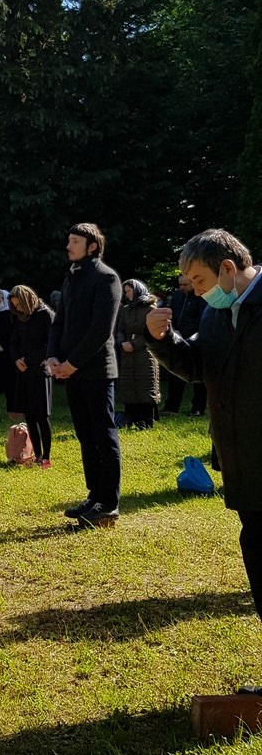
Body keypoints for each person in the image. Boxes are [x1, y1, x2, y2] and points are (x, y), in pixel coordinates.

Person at [145, 229, 262, 685]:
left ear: (227, 269)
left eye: (197, 280)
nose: (192, 289)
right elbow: (197, 365)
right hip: (244, 464)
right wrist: (162, 339)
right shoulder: (217, 313)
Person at [46, 223, 122, 528]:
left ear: (92, 246)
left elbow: (101, 330)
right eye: (68, 241)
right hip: (70, 370)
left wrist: (73, 363)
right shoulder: (72, 278)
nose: (68, 246)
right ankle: (94, 495)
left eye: (74, 241)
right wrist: (53, 356)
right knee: (85, 437)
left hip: (95, 371)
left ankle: (109, 502)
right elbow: (59, 321)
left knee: (103, 436)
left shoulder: (107, 278)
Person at [9, 286, 54, 467]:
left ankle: (46, 456)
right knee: (29, 416)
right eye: (14, 305)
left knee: (41, 415)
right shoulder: (19, 318)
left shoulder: (46, 315)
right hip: (24, 371)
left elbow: (50, 344)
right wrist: (16, 359)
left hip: (40, 370)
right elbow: (12, 342)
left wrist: (28, 359)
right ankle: (37, 454)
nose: (18, 308)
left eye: (20, 304)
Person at [116, 279, 160, 429]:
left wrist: (134, 344)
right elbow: (120, 329)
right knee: (129, 385)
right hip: (127, 354)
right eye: (125, 291)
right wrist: (122, 342)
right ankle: (131, 419)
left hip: (145, 353)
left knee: (145, 384)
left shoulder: (151, 309)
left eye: (129, 291)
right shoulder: (126, 310)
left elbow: (152, 333)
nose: (127, 294)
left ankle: (147, 420)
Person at [161, 275, 207, 416]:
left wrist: (185, 333)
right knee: (175, 374)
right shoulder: (177, 296)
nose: (182, 287)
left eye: (185, 284)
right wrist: (174, 331)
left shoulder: (201, 297)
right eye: (180, 284)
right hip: (178, 339)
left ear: (192, 284)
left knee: (199, 378)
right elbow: (172, 315)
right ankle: (172, 407)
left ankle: (198, 408)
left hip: (195, 340)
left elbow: (201, 319)